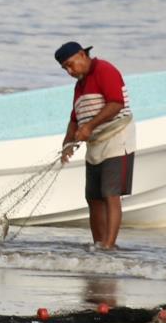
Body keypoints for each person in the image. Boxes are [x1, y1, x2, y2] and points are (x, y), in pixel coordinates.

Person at [57, 41, 136, 249]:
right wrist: (67, 143)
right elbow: (75, 119)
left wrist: (90, 126)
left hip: (117, 138)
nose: (69, 71)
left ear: (82, 55)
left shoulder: (104, 70)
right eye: (65, 68)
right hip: (95, 144)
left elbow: (116, 103)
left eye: (70, 64)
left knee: (111, 194)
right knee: (93, 198)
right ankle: (98, 245)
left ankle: (108, 246)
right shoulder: (79, 85)